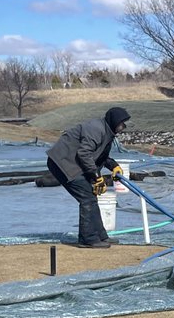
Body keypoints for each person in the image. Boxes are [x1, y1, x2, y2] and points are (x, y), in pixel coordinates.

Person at [46, 106, 131, 248]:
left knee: (91, 197)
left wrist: (114, 166)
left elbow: (100, 155)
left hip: (72, 162)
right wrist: (97, 177)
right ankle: (87, 239)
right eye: (122, 123)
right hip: (62, 162)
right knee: (87, 198)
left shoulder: (106, 132)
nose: (124, 127)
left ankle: (100, 236)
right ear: (115, 121)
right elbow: (84, 154)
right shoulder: (96, 129)